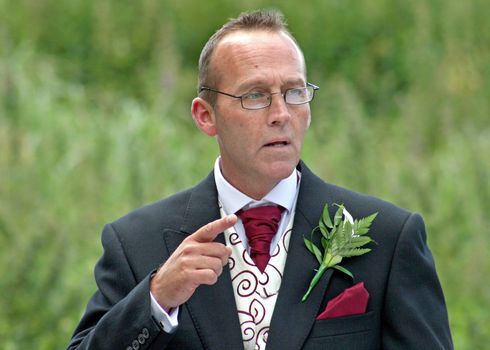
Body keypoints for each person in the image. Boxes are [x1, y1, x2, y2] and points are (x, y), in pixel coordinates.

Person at [68, 9, 453, 350]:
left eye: (294, 92)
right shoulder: (137, 243)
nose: (281, 114)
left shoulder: (389, 238)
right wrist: (155, 300)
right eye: (255, 96)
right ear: (206, 116)